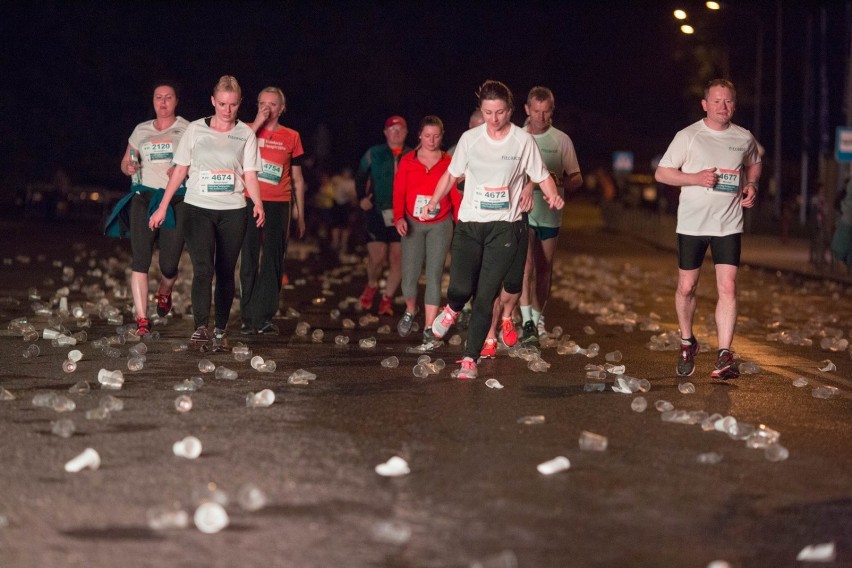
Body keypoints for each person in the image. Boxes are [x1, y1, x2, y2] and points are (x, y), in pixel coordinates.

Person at [420, 80, 564, 379]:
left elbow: (541, 174)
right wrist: (433, 201)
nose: (494, 119)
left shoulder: (523, 141)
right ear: (481, 111)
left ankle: (470, 359)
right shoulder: (470, 139)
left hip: (505, 226)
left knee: (485, 295)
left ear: (510, 110)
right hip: (471, 223)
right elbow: (451, 176)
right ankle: (452, 309)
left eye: (499, 112)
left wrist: (552, 195)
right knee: (460, 288)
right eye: (488, 112)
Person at [654, 79, 761, 380]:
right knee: (687, 287)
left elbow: (754, 162)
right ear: (704, 104)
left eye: (727, 101)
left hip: (728, 224)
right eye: (716, 101)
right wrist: (695, 178)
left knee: (727, 287)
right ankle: (688, 341)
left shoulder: (743, 137)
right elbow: (662, 173)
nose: (722, 106)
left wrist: (751, 184)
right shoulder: (688, 136)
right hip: (692, 224)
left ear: (734, 105)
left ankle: (724, 355)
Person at [149, 75, 265, 350]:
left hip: (233, 210)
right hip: (198, 207)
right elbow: (180, 170)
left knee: (226, 271)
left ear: (239, 104)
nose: (227, 110)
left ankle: (221, 329)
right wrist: (163, 206)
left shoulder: (245, 134)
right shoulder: (196, 130)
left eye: (233, 105)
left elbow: (250, 173)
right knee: (203, 269)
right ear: (213, 101)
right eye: (222, 104)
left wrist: (258, 203)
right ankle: (201, 327)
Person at [107, 82, 189, 335]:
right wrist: (128, 167)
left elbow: (198, 162)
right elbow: (126, 161)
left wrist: (183, 169)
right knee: (140, 261)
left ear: (176, 101)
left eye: (168, 97)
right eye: (158, 97)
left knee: (168, 264)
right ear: (153, 101)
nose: (163, 102)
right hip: (144, 197)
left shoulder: (187, 129)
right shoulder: (141, 130)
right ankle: (142, 319)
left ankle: (165, 290)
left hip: (176, 199)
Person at [518, 86, 583, 346]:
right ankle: (526, 322)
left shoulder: (561, 140)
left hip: (550, 214)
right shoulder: (518, 137)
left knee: (544, 269)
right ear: (527, 110)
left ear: (551, 112)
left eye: (546, 112)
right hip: (523, 212)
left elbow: (577, 179)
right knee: (526, 267)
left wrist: (559, 182)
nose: (541, 117)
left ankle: (537, 316)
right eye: (536, 112)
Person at [239, 87, 305, 335]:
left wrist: (300, 214)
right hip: (248, 201)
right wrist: (257, 122)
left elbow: (297, 179)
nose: (268, 108)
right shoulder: (246, 130)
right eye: (262, 103)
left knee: (273, 259)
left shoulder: (292, 136)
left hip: (278, 203)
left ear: (282, 108)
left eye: (273, 104)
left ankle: (264, 317)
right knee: (248, 258)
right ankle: (247, 316)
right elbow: (235, 152)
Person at [393, 116, 460, 348]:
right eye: (427, 135)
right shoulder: (408, 161)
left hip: (440, 223)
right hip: (413, 222)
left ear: (442, 136)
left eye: (437, 136)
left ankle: (429, 328)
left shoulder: (448, 161)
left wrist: (459, 221)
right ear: (419, 135)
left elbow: (454, 193)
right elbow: (399, 190)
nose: (432, 140)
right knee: (409, 280)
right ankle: (411, 309)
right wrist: (399, 217)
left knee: (434, 275)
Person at [356, 116, 412, 317]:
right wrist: (362, 197)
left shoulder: (413, 154)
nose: (396, 133)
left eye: (400, 129)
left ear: (406, 132)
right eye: (392, 129)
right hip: (378, 212)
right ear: (385, 132)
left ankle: (386, 299)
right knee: (377, 256)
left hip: (403, 215)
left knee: (397, 258)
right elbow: (360, 176)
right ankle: (372, 284)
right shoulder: (374, 153)